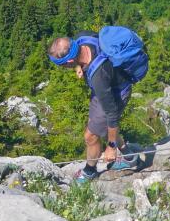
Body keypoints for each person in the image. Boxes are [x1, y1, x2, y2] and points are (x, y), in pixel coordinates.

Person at [47, 27, 148, 183]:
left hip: (116, 93)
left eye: (62, 65)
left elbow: (112, 114)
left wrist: (111, 147)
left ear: (68, 60)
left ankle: (90, 171)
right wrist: (78, 66)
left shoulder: (98, 76)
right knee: (96, 126)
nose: (63, 68)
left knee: (91, 136)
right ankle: (129, 156)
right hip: (106, 89)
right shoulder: (82, 38)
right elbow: (84, 52)